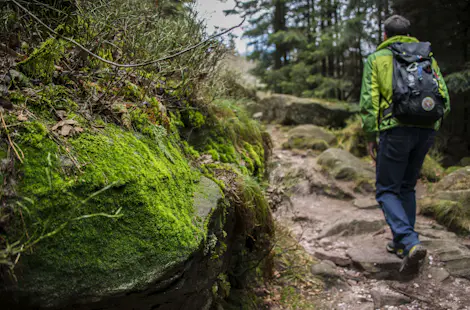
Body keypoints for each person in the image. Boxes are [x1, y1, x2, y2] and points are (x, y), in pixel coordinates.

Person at [359, 15, 451, 273]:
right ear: (410, 34)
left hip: (394, 129)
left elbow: (369, 102)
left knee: (386, 189)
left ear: (385, 35)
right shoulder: (426, 57)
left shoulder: (377, 59)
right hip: (425, 130)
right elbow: (444, 96)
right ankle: (402, 243)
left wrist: (370, 136)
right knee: (407, 187)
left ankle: (409, 240)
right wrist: (431, 128)